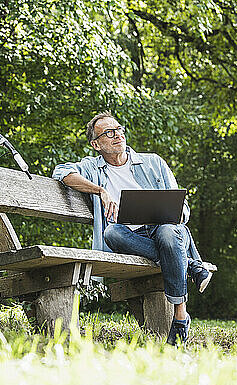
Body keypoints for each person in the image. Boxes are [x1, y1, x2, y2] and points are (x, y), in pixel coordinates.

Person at [52, 111, 214, 345]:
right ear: (96, 144)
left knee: (168, 234)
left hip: (164, 230)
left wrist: (174, 212)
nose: (117, 135)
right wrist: (101, 191)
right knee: (111, 232)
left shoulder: (153, 162)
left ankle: (180, 315)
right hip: (129, 237)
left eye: (118, 129)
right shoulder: (93, 169)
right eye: (108, 133)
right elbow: (61, 172)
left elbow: (183, 210)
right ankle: (190, 264)